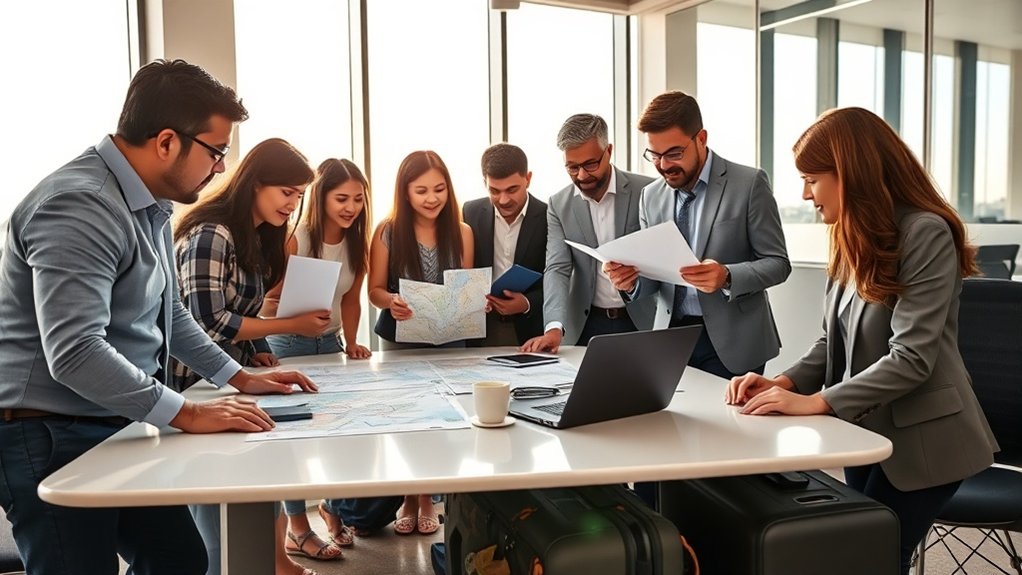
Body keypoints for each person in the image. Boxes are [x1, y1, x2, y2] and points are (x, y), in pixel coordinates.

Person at [0, 59, 317, 575]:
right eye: (215, 152)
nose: (219, 168)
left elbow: (169, 313)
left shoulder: (149, 204)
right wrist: (188, 413)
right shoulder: (80, 204)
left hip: (111, 420)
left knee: (178, 559)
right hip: (47, 432)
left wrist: (238, 377)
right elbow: (75, 352)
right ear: (167, 141)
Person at [725, 107, 998, 575]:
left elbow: (912, 358)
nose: (805, 194)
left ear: (851, 172)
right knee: (858, 553)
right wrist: (784, 384)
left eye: (812, 178)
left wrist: (818, 403)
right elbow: (830, 341)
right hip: (866, 431)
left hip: (927, 441)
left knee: (865, 558)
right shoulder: (851, 235)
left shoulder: (924, 233)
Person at [172, 138, 337, 574]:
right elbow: (208, 322)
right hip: (197, 383)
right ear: (255, 184)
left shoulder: (258, 236)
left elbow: (243, 309)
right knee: (215, 519)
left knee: (253, 494)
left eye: (299, 195)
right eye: (286, 192)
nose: (293, 203)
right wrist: (290, 328)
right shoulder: (212, 232)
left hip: (232, 378)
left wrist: (261, 350)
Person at [261, 158, 401, 549]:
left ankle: (332, 510)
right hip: (289, 345)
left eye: (358, 199)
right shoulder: (296, 238)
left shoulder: (356, 240)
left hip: (331, 344)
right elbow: (268, 300)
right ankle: (298, 530)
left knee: (340, 434)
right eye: (342, 198)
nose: (351, 207)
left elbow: (351, 299)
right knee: (291, 442)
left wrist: (354, 342)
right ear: (321, 197)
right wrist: (290, 310)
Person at [605, 91, 790, 380]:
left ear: (701, 138)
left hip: (734, 342)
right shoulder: (650, 196)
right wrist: (629, 282)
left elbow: (778, 262)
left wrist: (727, 276)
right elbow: (654, 276)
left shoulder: (749, 184)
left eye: (674, 153)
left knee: (726, 425)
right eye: (655, 155)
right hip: (671, 338)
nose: (664, 165)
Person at [368, 150, 474, 535]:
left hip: (449, 337)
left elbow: (465, 289)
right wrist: (391, 301)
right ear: (405, 192)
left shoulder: (461, 231)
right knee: (407, 419)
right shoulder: (388, 231)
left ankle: (429, 498)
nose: (432, 198)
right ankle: (409, 498)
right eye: (422, 190)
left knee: (443, 420)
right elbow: (374, 290)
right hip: (401, 338)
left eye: (439, 189)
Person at [521, 114, 655, 353]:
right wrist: (553, 327)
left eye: (590, 164)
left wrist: (636, 281)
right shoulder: (559, 204)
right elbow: (557, 268)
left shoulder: (649, 191)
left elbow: (663, 260)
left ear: (609, 151)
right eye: (572, 167)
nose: (582, 176)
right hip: (587, 325)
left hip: (643, 322)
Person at [463, 143, 547, 346]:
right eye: (494, 190)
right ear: (485, 182)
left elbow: (560, 277)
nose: (503, 199)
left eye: (512, 189)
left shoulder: (549, 216)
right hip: (479, 328)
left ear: (528, 179)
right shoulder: (470, 212)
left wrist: (526, 303)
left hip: (530, 329)